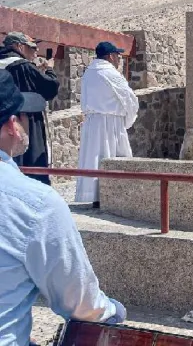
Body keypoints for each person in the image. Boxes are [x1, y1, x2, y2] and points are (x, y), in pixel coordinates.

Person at [0, 70, 126, 345]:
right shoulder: (35, 203)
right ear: (12, 124)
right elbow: (82, 304)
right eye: (25, 117)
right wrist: (115, 310)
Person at [75, 42, 139, 204]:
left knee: (93, 158)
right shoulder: (110, 73)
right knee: (113, 156)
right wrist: (128, 120)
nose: (119, 60)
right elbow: (129, 99)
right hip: (111, 123)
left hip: (92, 123)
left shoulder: (88, 73)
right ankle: (114, 197)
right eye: (117, 56)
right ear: (111, 56)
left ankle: (92, 196)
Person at [0, 32, 59, 185]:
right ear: (18, 46)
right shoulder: (23, 67)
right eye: (31, 48)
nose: (35, 52)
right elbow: (49, 88)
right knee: (31, 169)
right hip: (26, 123)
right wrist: (49, 70)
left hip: (3, 122)